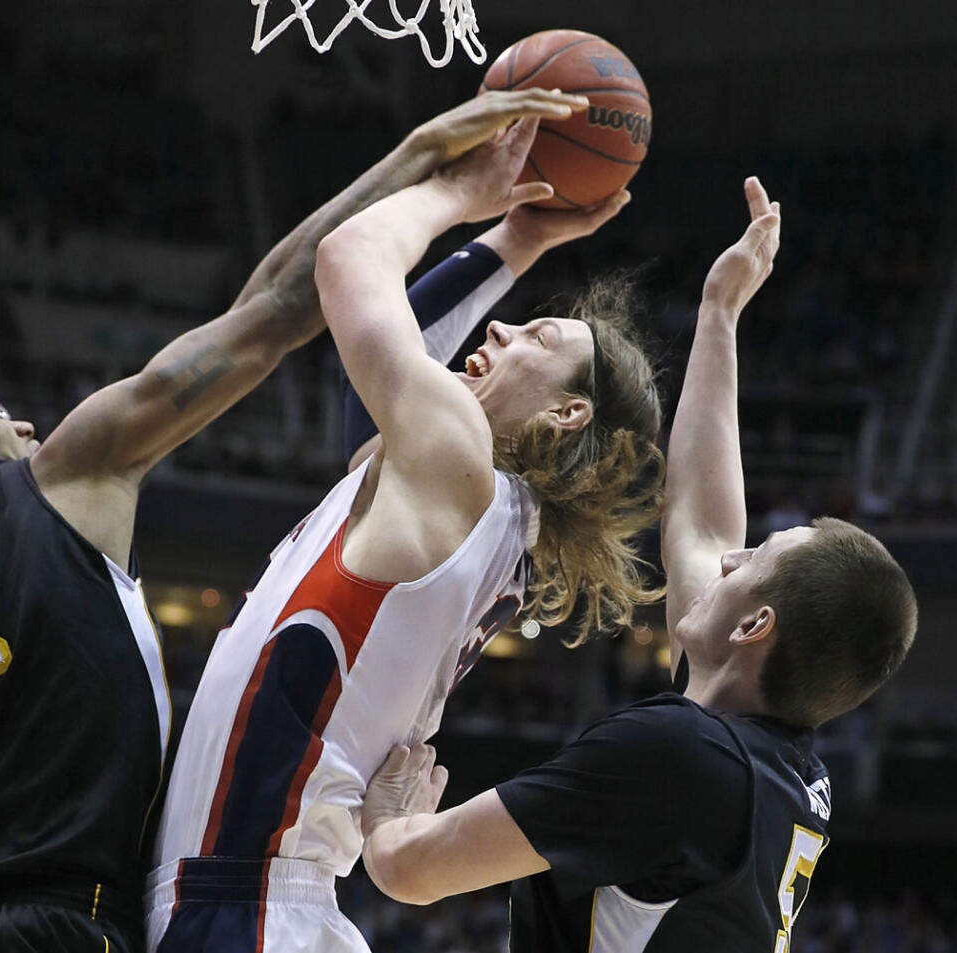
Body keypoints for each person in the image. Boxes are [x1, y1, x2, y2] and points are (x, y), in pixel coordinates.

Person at [0, 90, 585, 953]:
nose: (20, 422)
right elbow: (273, 311)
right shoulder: (60, 473)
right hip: (65, 919)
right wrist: (421, 160)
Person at [146, 114, 667, 952]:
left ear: (571, 413)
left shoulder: (456, 464)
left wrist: (459, 193)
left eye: (537, 336)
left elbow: (349, 260)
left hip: (244, 903)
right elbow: (393, 364)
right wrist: (518, 239)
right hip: (260, 901)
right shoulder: (461, 498)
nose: (498, 328)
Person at [358, 177, 919, 953]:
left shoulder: (678, 757)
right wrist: (719, 313)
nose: (728, 557)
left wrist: (391, 807)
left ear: (756, 625)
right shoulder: (766, 763)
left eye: (752, 561)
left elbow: (409, 869)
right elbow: (699, 516)